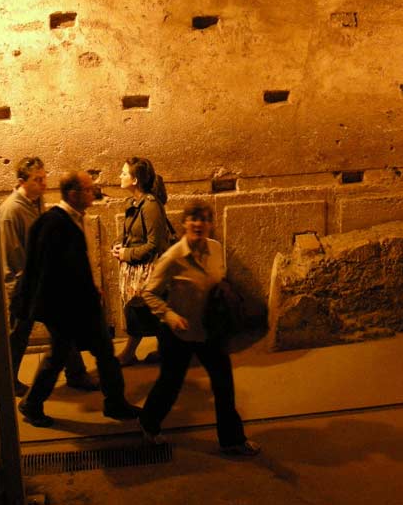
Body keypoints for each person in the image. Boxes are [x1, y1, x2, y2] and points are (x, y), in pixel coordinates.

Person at [15, 171, 141, 427]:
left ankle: (113, 402)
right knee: (75, 354)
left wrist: (92, 288)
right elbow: (49, 272)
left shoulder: (73, 219)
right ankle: (33, 403)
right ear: (72, 194)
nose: (93, 193)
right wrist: (74, 304)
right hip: (67, 307)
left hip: (79, 303)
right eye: (88, 189)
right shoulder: (54, 224)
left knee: (91, 353)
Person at [138, 201, 261, 456]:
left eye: (204, 219)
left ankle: (231, 440)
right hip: (178, 334)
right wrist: (169, 315)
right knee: (170, 384)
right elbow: (149, 293)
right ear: (184, 223)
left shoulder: (216, 249)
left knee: (224, 385)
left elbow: (219, 280)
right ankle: (148, 422)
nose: (198, 224)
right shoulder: (173, 257)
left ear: (210, 224)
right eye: (193, 219)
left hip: (210, 331)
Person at [0, 157, 97, 396]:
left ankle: (76, 373)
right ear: (22, 181)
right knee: (18, 335)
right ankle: (8, 380)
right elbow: (14, 254)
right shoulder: (11, 211)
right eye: (38, 179)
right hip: (26, 284)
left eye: (44, 178)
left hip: (42, 282)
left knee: (62, 328)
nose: (44, 184)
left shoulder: (35, 202)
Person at [112, 157, 174, 366]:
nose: (120, 176)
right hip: (136, 270)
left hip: (148, 271)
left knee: (144, 311)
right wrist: (120, 246)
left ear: (135, 179)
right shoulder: (133, 203)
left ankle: (132, 352)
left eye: (124, 173)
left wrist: (126, 254)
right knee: (140, 312)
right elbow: (133, 235)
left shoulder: (150, 205)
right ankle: (162, 351)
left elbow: (154, 245)